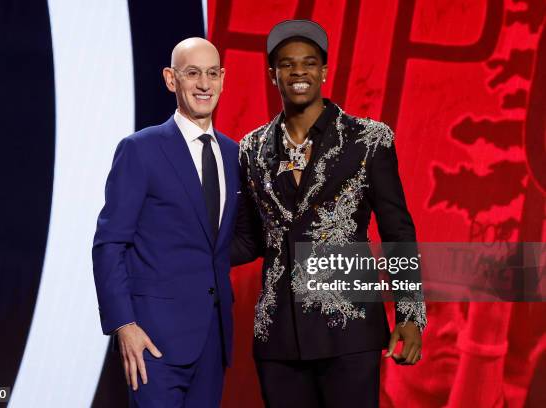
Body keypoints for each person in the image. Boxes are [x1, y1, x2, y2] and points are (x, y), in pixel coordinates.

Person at [232, 20, 427, 407]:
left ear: (324, 71)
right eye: (287, 64)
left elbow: (397, 230)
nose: (298, 71)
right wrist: (182, 251)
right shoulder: (250, 148)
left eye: (308, 63)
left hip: (349, 331)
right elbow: (250, 238)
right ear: (274, 75)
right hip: (279, 338)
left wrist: (409, 313)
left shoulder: (368, 139)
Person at [92, 37, 239, 407]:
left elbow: (223, 242)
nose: (204, 84)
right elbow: (109, 243)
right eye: (192, 74)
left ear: (222, 78)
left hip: (212, 340)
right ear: (171, 79)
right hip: (152, 341)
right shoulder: (140, 149)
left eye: (211, 73)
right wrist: (124, 325)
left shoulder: (235, 154)